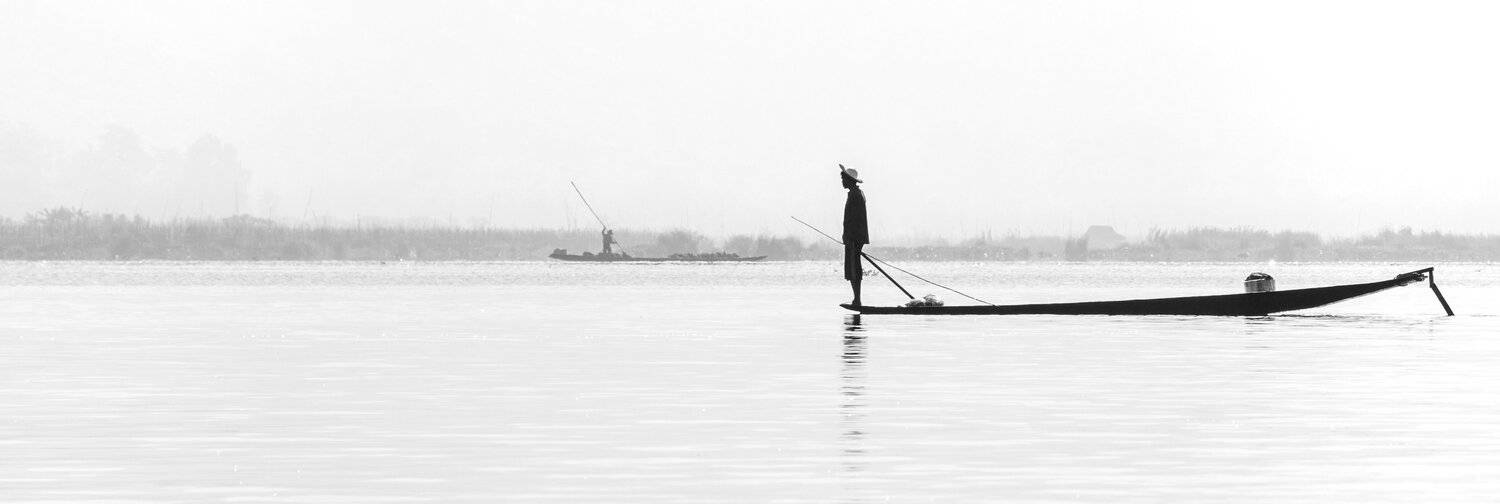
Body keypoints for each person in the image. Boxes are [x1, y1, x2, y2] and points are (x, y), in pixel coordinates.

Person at [840, 164, 868, 306]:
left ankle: (857, 300)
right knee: (853, 266)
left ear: (849, 180)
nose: (842, 182)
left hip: (854, 237)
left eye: (843, 179)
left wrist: (849, 237)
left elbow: (854, 219)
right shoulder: (856, 193)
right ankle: (856, 299)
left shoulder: (856, 195)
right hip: (855, 237)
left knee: (853, 267)